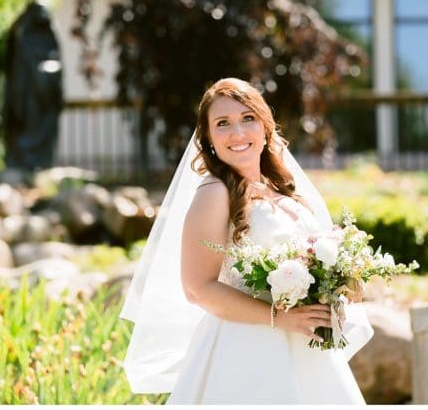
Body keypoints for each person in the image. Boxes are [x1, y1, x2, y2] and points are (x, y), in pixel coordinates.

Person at [119, 78, 372, 404]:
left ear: (266, 127)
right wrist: (280, 319)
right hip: (246, 351)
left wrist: (339, 284)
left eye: (247, 118)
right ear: (208, 137)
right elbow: (198, 287)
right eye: (222, 123)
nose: (237, 133)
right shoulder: (215, 193)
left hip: (305, 347)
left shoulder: (280, 188)